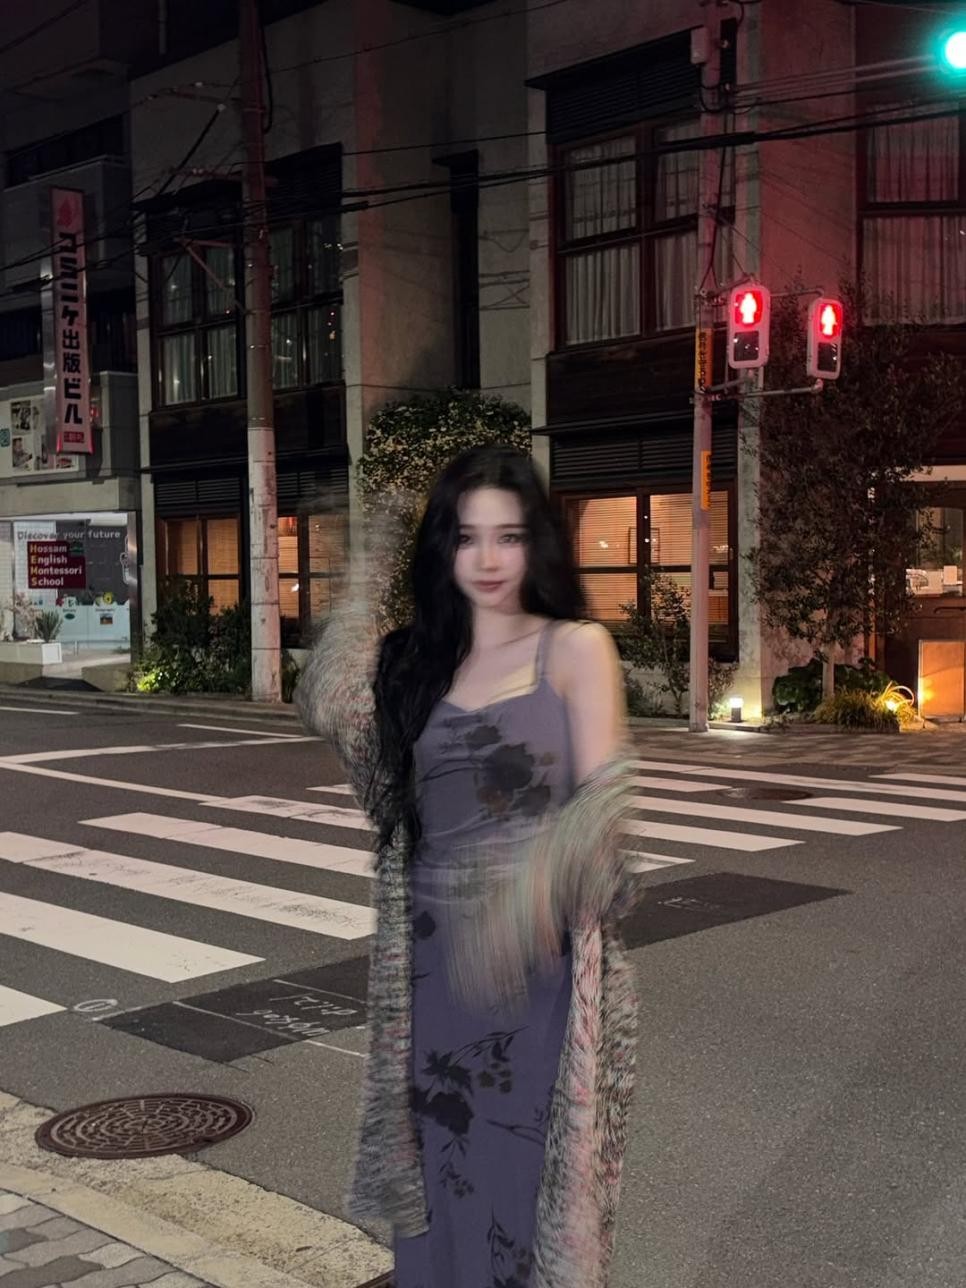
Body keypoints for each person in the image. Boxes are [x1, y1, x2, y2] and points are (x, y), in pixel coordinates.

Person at [297, 446, 639, 1288]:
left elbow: (605, 808)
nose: (488, 559)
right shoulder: (418, 664)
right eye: (466, 536)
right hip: (430, 974)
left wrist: (522, 904)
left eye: (508, 536)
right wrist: (370, 558)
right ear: (443, 548)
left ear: (537, 544)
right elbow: (326, 700)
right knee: (437, 1194)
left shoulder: (575, 649)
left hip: (537, 974)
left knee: (526, 1200)